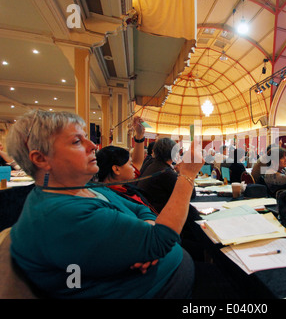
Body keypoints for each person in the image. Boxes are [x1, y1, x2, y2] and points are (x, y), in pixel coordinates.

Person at [6, 110, 203, 299]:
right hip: (162, 289)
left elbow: (140, 208)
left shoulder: (87, 186)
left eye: (86, 137)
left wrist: (148, 236)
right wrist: (187, 175)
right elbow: (163, 239)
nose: (93, 145)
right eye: (77, 141)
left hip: (167, 272)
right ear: (41, 159)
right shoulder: (63, 214)